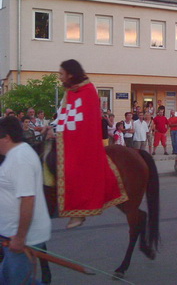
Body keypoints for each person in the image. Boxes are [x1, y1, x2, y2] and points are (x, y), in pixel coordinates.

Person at [55, 59, 128, 229]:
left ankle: (79, 211)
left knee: (71, 168)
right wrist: (52, 128)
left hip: (82, 142)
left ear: (70, 74)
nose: (59, 77)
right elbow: (63, 116)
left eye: (61, 74)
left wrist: (63, 132)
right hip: (65, 135)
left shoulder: (88, 90)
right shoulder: (69, 93)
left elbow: (86, 121)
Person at [0, 116, 51, 284]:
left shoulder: (20, 158)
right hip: (10, 235)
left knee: (19, 281)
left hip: (22, 238)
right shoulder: (14, 154)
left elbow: (28, 199)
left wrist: (20, 238)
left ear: (7, 137)